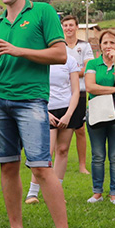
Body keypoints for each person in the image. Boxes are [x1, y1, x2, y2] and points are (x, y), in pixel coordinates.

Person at [0, 0, 79, 228]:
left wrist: (16, 50)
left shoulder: (43, 12)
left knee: (40, 167)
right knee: (7, 167)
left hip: (31, 101)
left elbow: (60, 54)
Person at [85, 30, 115, 204]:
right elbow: (91, 87)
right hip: (96, 111)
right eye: (105, 43)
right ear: (100, 46)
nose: (108, 46)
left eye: (112, 43)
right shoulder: (93, 64)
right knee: (97, 154)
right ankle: (97, 192)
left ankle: (114, 193)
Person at [39, 37, 80, 196]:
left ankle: (56, 190)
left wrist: (69, 114)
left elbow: (76, 90)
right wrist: (44, 112)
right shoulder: (41, 60)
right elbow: (34, 89)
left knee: (62, 150)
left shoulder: (70, 61)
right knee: (46, 151)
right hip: (45, 109)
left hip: (66, 110)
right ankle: (34, 191)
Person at [61, 15, 94, 175]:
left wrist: (69, 73)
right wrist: (74, 72)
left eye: (71, 25)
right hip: (61, 93)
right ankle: (56, 162)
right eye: (65, 25)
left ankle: (82, 166)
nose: (68, 28)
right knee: (58, 127)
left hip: (80, 92)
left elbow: (87, 68)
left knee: (80, 129)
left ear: (76, 27)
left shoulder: (85, 46)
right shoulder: (58, 46)